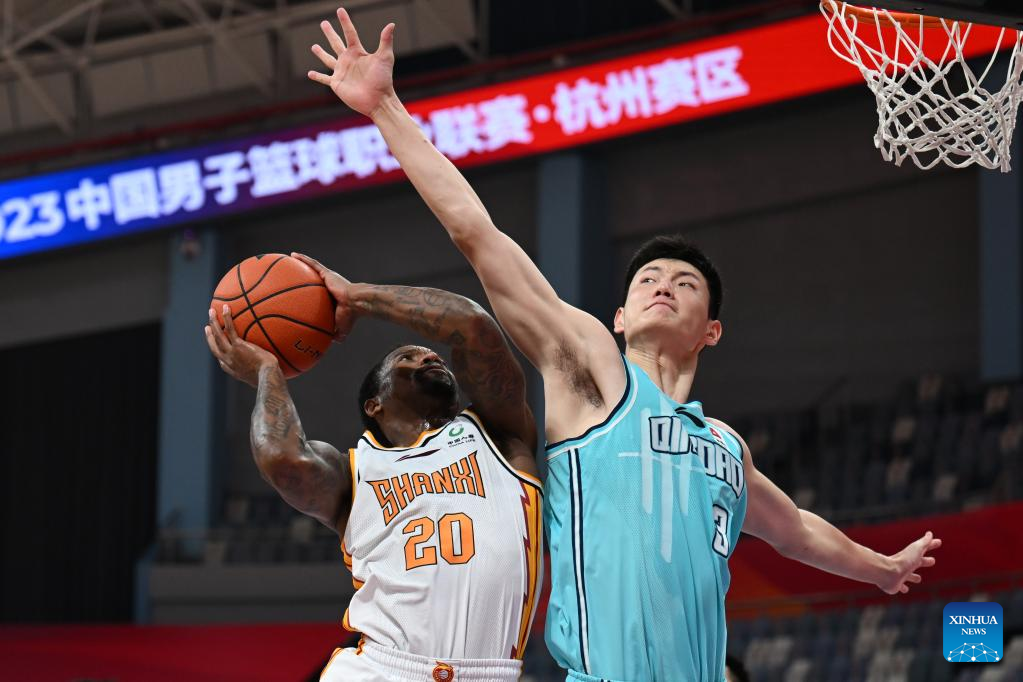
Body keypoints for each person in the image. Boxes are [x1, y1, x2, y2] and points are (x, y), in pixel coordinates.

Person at [307, 9, 942, 681]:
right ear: (617, 316)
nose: (663, 284)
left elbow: (796, 531)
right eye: (648, 279)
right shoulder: (591, 372)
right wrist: (386, 110)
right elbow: (478, 234)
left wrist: (881, 569)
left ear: (711, 330)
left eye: (685, 283)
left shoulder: (725, 450)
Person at [204, 257, 543, 682]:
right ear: (374, 404)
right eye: (406, 357)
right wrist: (268, 372)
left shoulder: (497, 434)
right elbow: (281, 460)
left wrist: (355, 297)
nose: (428, 355)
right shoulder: (353, 471)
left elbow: (473, 325)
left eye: (429, 353)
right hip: (381, 669)